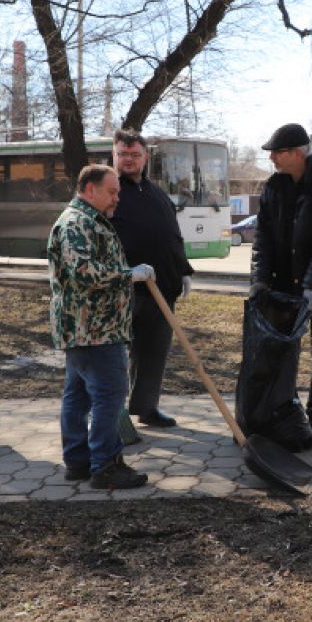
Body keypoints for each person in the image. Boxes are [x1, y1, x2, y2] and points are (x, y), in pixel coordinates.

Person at [48, 164, 155, 490]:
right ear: (90, 189)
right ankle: (105, 465)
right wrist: (129, 275)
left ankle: (79, 461)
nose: (117, 198)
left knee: (78, 396)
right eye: (111, 192)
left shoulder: (89, 221)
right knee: (109, 394)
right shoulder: (76, 222)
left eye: (117, 192)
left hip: (88, 328)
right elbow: (83, 272)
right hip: (94, 330)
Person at [249, 123, 312, 446]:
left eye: (277, 153)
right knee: (282, 352)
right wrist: (260, 280)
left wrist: (311, 287)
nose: (272, 159)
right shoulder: (274, 187)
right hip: (283, 286)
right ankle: (283, 415)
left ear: (297, 153)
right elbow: (263, 238)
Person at [109, 130, 195, 429]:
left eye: (135, 154)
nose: (128, 159)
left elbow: (172, 234)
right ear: (113, 156)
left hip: (161, 289)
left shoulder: (156, 193)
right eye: (123, 154)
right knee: (113, 356)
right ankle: (111, 417)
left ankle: (146, 407)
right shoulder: (107, 190)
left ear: (145, 157)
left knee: (153, 353)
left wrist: (182, 270)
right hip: (121, 289)